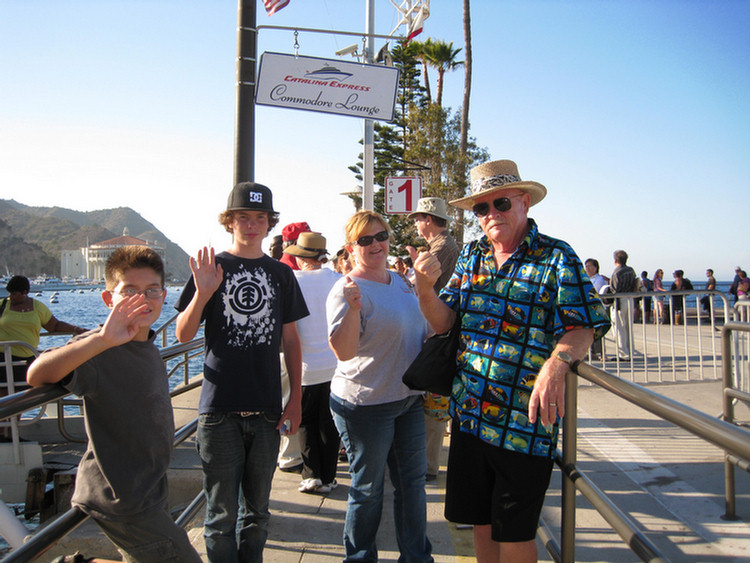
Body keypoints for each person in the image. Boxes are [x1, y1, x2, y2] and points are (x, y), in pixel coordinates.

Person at [412, 159, 610, 563]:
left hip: (524, 421)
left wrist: (557, 365)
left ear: (524, 202)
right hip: (469, 414)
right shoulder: (472, 256)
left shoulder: (557, 257)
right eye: (481, 209)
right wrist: (424, 289)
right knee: (481, 522)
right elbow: (446, 320)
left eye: (500, 203)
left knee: (516, 530)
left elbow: (583, 325)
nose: (491, 215)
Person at [27, 246, 202, 563]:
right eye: (130, 291)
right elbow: (37, 374)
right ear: (110, 300)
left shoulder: (145, 344)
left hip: (150, 486)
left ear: (164, 296)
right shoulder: (100, 348)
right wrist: (101, 340)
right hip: (122, 496)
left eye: (151, 291)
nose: (143, 299)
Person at [174, 182, 309, 563]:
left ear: (269, 224)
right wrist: (203, 292)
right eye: (243, 217)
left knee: (258, 515)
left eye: (259, 218)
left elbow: (292, 340)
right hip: (218, 412)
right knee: (220, 517)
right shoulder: (212, 268)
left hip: (267, 410)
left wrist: (295, 398)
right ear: (229, 222)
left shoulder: (281, 274)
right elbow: (184, 333)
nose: (251, 225)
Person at [327, 210, 433, 563]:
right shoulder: (346, 290)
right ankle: (359, 558)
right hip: (366, 405)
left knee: (413, 487)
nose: (376, 245)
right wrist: (354, 310)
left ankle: (417, 558)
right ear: (351, 247)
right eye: (365, 240)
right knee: (368, 489)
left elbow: (417, 328)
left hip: (407, 400)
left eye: (381, 236)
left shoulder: (402, 280)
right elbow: (343, 352)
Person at [282, 231, 342, 494]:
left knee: (305, 422)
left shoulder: (291, 281)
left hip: (304, 366)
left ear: (300, 256)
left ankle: (311, 475)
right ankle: (329, 477)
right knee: (329, 423)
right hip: (335, 365)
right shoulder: (337, 279)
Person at [407, 197, 461, 480]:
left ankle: (428, 464)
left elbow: (422, 286)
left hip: (439, 330)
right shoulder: (442, 246)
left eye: (418, 218)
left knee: (434, 401)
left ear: (428, 219)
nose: (416, 223)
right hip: (438, 326)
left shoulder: (441, 248)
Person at [0, 275, 86, 387]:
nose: (11, 297)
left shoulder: (38, 307)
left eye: (14, 294)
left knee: (25, 393)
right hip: (3, 356)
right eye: (10, 293)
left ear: (24, 292)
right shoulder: (2, 305)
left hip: (27, 357)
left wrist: (77, 329)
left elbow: (54, 325)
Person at [610, 250, 637, 360]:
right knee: (628, 326)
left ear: (615, 260)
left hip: (619, 301)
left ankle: (623, 354)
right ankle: (629, 350)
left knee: (619, 327)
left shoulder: (617, 272)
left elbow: (614, 289)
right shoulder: (631, 271)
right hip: (630, 299)